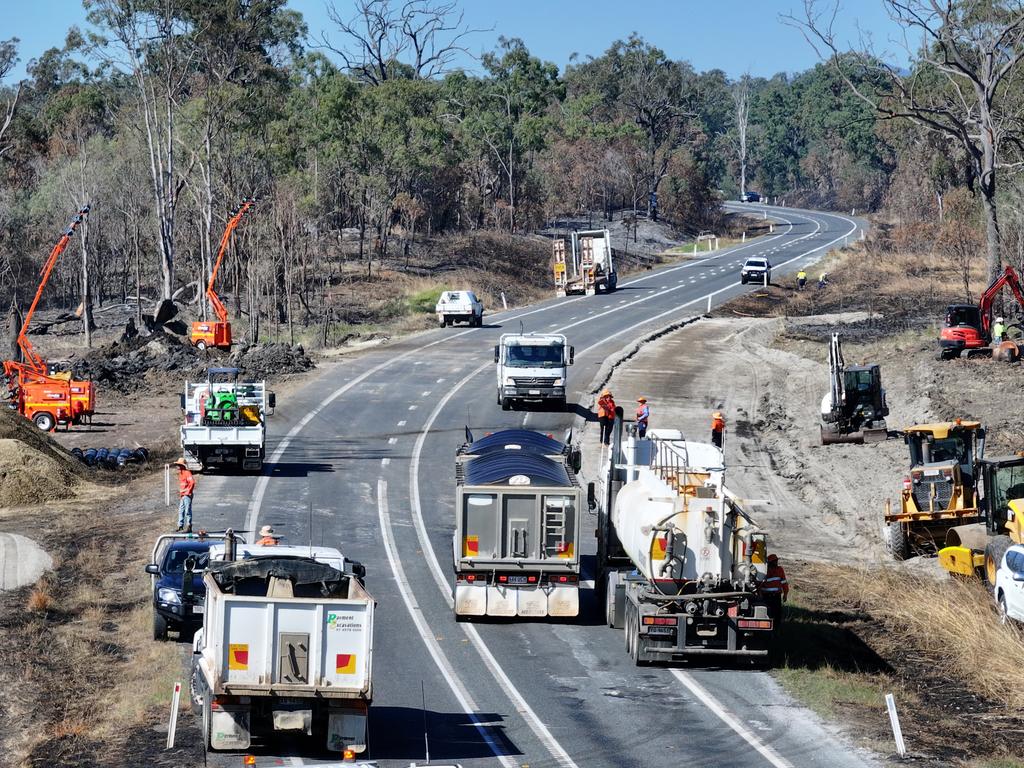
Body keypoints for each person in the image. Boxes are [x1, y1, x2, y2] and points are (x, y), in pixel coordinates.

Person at [761, 553, 789, 621]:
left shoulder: (779, 570)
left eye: (776, 560)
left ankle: (775, 628)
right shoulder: (765, 571)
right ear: (770, 562)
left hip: (774, 596)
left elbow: (784, 583)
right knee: (769, 613)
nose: (776, 562)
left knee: (776, 614)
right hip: (766, 596)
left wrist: (785, 594)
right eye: (774, 561)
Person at [175, 458, 195, 533]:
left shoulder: (187, 473)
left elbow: (192, 483)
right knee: (181, 510)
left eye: (178, 465)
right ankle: (180, 526)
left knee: (187, 511)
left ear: (182, 465)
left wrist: (188, 492)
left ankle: (189, 526)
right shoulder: (181, 474)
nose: (177, 466)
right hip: (183, 495)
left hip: (187, 495)